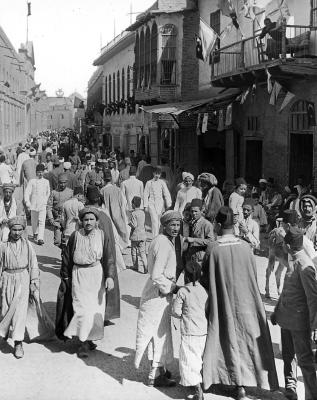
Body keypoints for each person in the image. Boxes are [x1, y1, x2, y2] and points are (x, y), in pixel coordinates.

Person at [202, 207, 278, 399]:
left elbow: (205, 277)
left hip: (223, 299)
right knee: (246, 340)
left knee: (225, 337)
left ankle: (227, 380)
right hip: (247, 302)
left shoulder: (213, 247)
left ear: (218, 224)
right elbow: (252, 274)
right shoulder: (245, 246)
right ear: (234, 224)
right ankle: (244, 383)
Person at [56, 208, 116, 357]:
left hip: (96, 275)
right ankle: (82, 343)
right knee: (81, 308)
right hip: (79, 275)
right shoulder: (75, 236)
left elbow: (109, 257)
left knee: (95, 309)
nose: (88, 222)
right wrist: (65, 277)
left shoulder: (102, 236)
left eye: (91, 219)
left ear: (97, 221)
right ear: (81, 221)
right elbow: (67, 258)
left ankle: (89, 338)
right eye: (85, 219)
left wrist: (110, 276)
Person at [135, 210, 183, 387]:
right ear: (165, 225)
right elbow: (156, 275)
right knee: (158, 333)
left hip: (156, 292)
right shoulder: (163, 243)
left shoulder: (159, 240)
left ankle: (158, 372)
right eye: (172, 225)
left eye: (178, 225)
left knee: (158, 333)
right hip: (158, 294)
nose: (176, 228)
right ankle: (154, 375)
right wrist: (173, 288)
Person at [271, 227, 317, 400]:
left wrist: (315, 325)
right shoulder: (292, 259)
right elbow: (286, 290)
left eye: (284, 242)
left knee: (305, 361)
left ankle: (312, 396)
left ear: (289, 245)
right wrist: (276, 311)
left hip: (299, 323)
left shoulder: (305, 265)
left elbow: (313, 298)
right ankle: (291, 387)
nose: (282, 245)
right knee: (288, 356)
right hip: (286, 319)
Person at [0, 217, 39, 358]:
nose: (17, 233)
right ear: (9, 230)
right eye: (14, 229)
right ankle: (4, 331)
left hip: (23, 278)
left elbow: (33, 264)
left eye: (19, 230)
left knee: (19, 313)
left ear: (23, 230)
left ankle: (18, 343)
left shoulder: (28, 245)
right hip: (7, 279)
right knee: (5, 309)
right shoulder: (3, 246)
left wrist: (34, 281)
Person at [172, 261, 208, 400]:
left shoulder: (183, 291)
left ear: (186, 276)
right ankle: (202, 382)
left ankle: (198, 391)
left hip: (189, 330)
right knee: (199, 358)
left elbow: (176, 311)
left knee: (189, 359)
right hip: (203, 330)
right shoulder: (205, 290)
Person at [100, 169, 130, 249]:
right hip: (118, 212)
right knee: (120, 227)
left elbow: (102, 205)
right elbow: (123, 202)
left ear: (103, 179)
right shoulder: (118, 189)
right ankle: (122, 244)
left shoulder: (102, 190)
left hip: (108, 212)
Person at [183, 198, 214, 268]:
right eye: (192, 211)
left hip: (200, 259)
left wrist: (193, 240)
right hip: (190, 257)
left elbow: (211, 242)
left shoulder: (206, 224)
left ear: (201, 210)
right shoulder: (192, 222)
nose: (194, 213)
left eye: (196, 211)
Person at [24, 164, 50, 245]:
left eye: (41, 172)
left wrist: (45, 200)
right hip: (34, 204)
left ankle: (40, 238)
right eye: (38, 172)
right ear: (36, 172)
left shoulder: (46, 181)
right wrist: (27, 202)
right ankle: (35, 232)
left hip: (42, 204)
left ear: (43, 173)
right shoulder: (32, 181)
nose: (40, 174)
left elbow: (48, 192)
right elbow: (27, 192)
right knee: (34, 221)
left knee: (42, 221)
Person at [144, 167, 172, 238]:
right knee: (154, 220)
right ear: (153, 173)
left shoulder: (162, 182)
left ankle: (158, 235)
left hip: (160, 203)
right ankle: (155, 237)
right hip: (151, 203)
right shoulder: (149, 182)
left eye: (159, 174)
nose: (157, 175)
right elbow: (145, 194)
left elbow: (166, 193)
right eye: (156, 173)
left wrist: (168, 204)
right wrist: (145, 206)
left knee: (159, 221)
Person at [47, 173, 73, 248]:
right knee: (57, 241)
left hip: (67, 219)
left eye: (64, 182)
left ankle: (65, 255)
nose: (62, 184)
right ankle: (62, 249)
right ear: (58, 182)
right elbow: (49, 206)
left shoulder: (70, 192)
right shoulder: (54, 192)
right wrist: (51, 218)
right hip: (57, 219)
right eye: (61, 183)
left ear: (67, 182)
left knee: (67, 240)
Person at [129, 196, 147, 273]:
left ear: (133, 204)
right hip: (142, 235)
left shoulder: (133, 213)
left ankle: (135, 266)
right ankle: (146, 267)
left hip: (135, 236)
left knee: (134, 252)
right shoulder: (142, 212)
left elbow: (134, 225)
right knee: (142, 253)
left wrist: (129, 223)